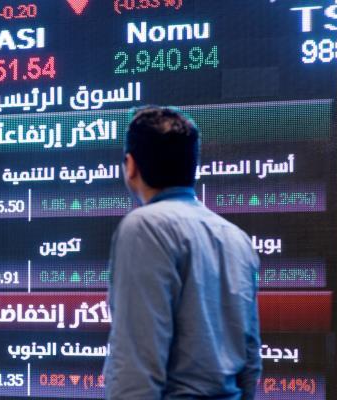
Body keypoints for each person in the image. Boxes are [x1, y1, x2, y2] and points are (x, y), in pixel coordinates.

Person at [103, 106, 262, 399]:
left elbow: (137, 366)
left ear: (130, 166)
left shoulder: (145, 227)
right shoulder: (237, 237)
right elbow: (250, 360)